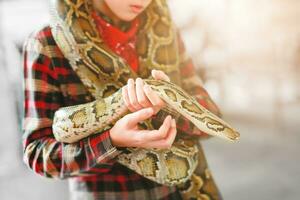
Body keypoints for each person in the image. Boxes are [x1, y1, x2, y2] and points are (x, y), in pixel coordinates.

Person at [22, 0, 222, 199]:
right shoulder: (45, 45)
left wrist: (171, 107)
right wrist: (112, 141)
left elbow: (210, 115)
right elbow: (39, 156)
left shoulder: (166, 31)